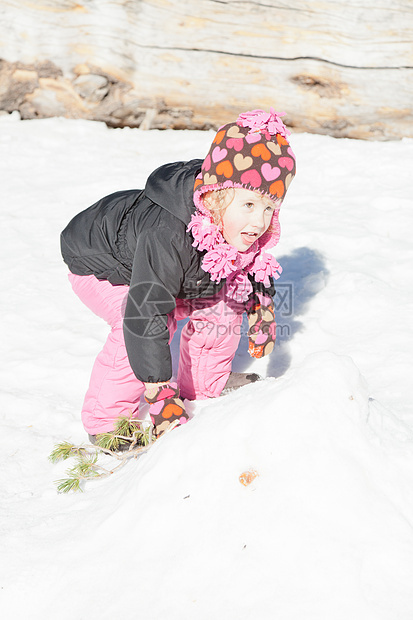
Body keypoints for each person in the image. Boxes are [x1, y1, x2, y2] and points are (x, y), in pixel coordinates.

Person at [60, 108, 296, 442]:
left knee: (225, 306)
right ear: (217, 198)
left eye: (269, 208)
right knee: (146, 318)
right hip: (101, 264)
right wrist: (158, 395)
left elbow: (249, 266)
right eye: (248, 206)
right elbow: (145, 314)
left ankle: (200, 387)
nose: (259, 222)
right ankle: (107, 422)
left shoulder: (237, 226)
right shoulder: (167, 233)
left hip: (168, 267)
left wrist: (261, 305)